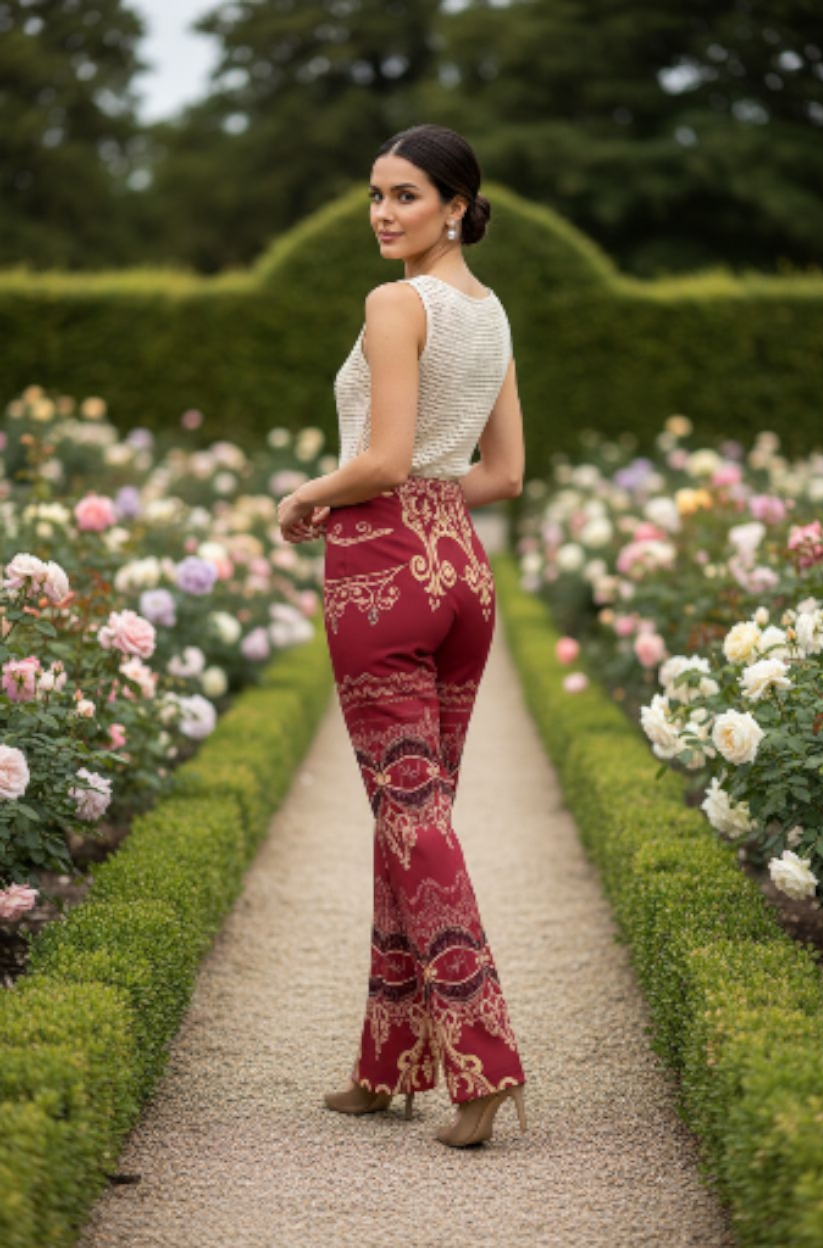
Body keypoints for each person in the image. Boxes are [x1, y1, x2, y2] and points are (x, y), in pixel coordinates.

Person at [277, 123, 527, 1149]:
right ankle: (388, 1067)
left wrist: (308, 494)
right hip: (460, 568)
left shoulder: (396, 304)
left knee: (411, 816)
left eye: (407, 195)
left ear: (459, 204)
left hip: (380, 574)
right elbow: (504, 475)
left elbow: (379, 458)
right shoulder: (492, 310)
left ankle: (485, 1060)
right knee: (410, 816)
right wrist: (427, 511)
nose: (384, 213)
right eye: (375, 195)